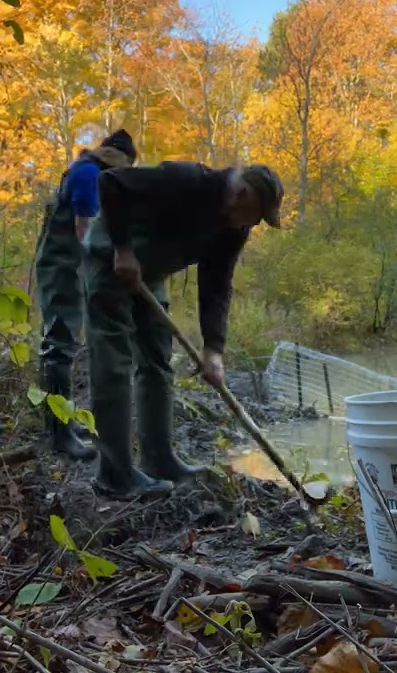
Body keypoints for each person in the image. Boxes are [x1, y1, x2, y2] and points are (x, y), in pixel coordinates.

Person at [83, 162, 284, 498]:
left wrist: (213, 349)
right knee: (114, 363)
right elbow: (111, 182)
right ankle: (114, 474)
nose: (254, 224)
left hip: (150, 273)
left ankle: (159, 461)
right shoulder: (186, 180)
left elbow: (217, 285)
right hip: (110, 258)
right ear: (240, 194)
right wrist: (122, 249)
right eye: (255, 215)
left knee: (158, 362)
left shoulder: (234, 230)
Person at [34, 130, 137, 461]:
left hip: (68, 267)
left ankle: (61, 423)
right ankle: (60, 435)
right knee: (58, 345)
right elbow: (85, 230)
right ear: (114, 157)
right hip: (61, 268)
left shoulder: (84, 169)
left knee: (61, 344)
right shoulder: (89, 173)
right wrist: (114, 266)